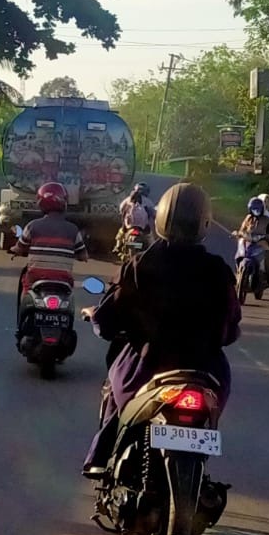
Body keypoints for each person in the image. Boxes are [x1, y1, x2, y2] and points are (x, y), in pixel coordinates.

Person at [83, 182, 241, 477]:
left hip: (145, 366)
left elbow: (107, 323)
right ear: (203, 223)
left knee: (115, 402)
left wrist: (95, 316)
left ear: (160, 220)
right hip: (207, 370)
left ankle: (101, 458)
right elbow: (230, 330)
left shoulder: (139, 266)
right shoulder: (219, 271)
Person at [11, 181, 89, 335]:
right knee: (70, 300)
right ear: (64, 202)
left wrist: (14, 250)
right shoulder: (73, 230)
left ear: (41, 203)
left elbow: (20, 248)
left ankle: (21, 328)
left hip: (35, 279)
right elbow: (83, 255)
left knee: (25, 292)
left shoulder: (32, 226)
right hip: (63, 280)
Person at [235, 196, 269, 300]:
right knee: (239, 254)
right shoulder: (248, 218)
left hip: (260, 244)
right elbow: (242, 229)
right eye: (254, 209)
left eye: (258, 209)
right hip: (249, 243)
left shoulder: (267, 219)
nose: (256, 211)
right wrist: (238, 233)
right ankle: (239, 276)